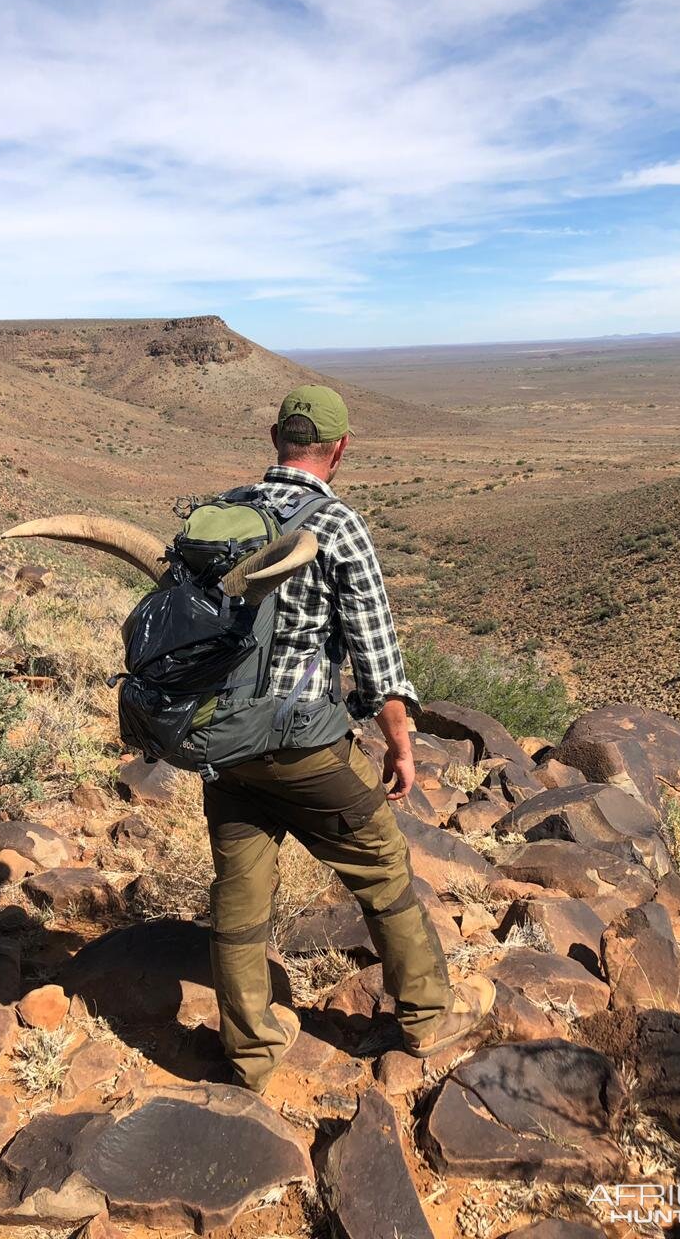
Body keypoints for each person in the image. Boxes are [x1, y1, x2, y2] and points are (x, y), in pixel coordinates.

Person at [204, 383, 495, 1092]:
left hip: (222, 745)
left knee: (241, 894)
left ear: (275, 437)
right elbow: (376, 653)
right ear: (339, 450)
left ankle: (249, 1056)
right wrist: (400, 742)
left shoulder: (220, 514)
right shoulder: (337, 524)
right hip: (304, 746)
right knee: (383, 867)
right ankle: (426, 1016)